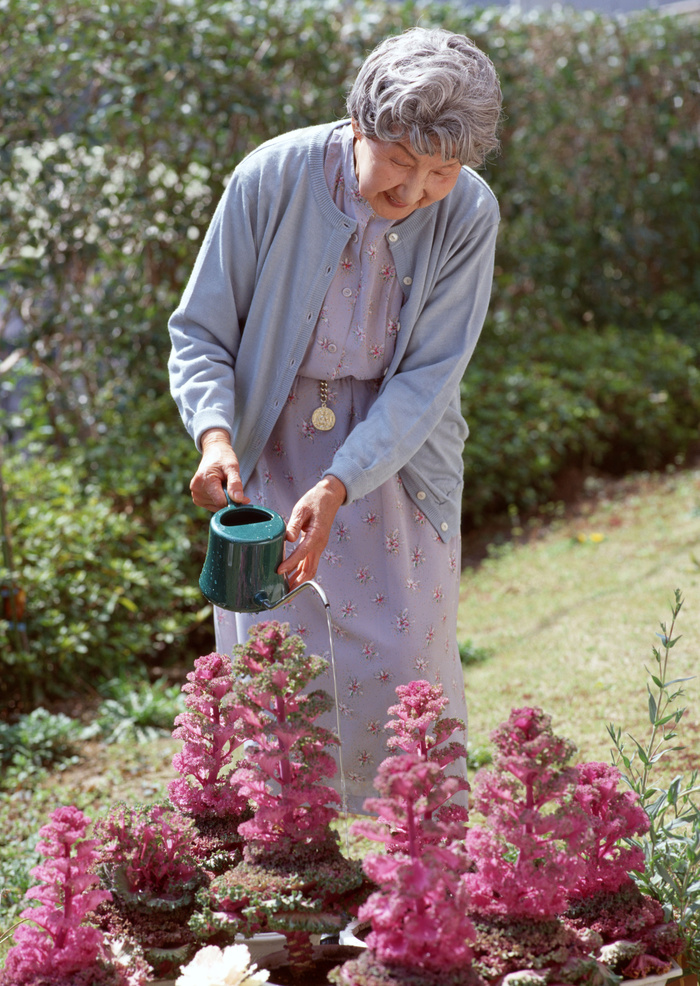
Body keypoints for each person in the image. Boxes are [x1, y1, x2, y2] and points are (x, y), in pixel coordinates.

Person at [168, 27, 502, 813]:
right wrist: (215, 436)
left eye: (442, 171)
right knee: (278, 674)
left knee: (408, 662)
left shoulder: (470, 215)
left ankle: (414, 888)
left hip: (394, 459)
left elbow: (429, 375)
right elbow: (201, 332)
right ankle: (291, 879)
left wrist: (342, 480)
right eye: (400, 160)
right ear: (359, 125)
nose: (416, 190)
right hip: (269, 450)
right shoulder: (270, 177)